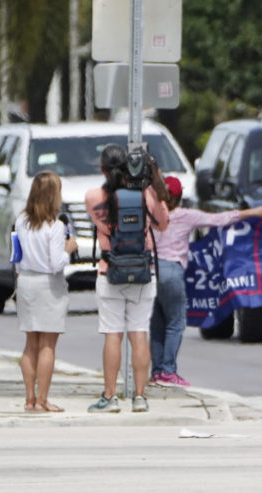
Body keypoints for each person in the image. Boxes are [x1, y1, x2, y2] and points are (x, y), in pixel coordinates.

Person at [149, 176, 262, 386]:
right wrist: (253, 212)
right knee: (176, 322)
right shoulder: (185, 215)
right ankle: (168, 370)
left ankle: (157, 371)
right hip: (172, 270)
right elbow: (219, 219)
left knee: (157, 323)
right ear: (179, 196)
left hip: (151, 270)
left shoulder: (152, 215)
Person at [85, 144, 169, 413]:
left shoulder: (93, 197)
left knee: (112, 334)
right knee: (139, 333)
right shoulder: (144, 194)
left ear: (102, 168)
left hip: (109, 270)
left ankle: (110, 397)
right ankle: (140, 396)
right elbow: (163, 222)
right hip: (143, 272)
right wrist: (153, 181)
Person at [15, 171, 78, 412]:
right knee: (48, 345)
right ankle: (42, 398)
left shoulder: (22, 220)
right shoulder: (55, 226)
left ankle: (29, 398)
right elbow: (55, 263)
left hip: (26, 281)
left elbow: (17, 256)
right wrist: (68, 250)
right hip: (48, 284)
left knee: (31, 343)